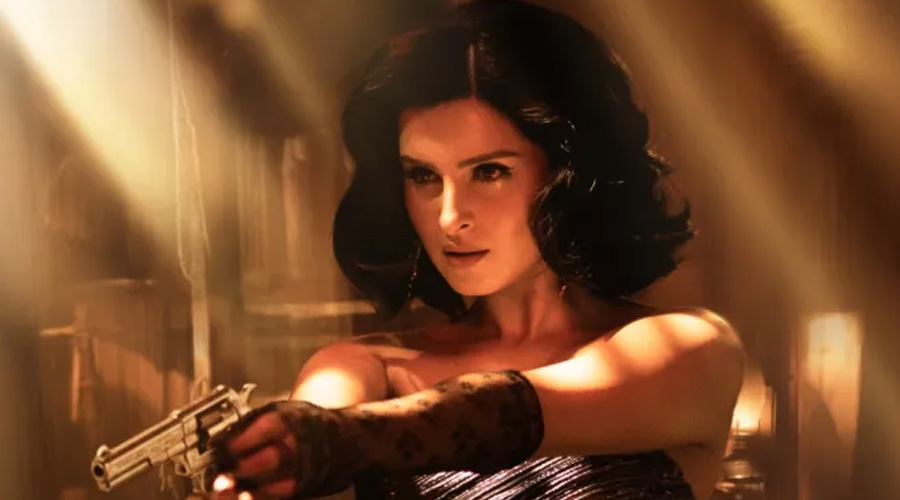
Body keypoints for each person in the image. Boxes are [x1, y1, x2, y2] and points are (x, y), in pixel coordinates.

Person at [210, 1, 746, 499]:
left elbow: (499, 413)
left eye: (489, 171)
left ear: (566, 175)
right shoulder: (363, 367)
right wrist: (274, 459)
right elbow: (308, 435)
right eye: (423, 176)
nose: (449, 217)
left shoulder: (689, 350)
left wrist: (332, 440)